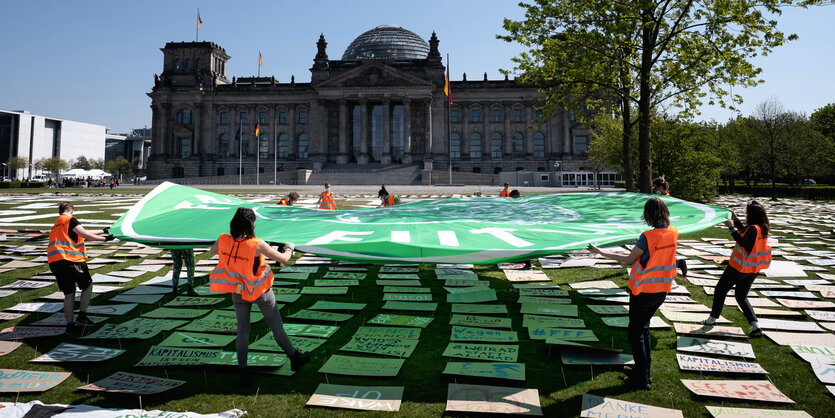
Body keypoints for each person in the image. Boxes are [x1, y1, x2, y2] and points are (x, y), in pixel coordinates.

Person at [209, 207, 309, 384]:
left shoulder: (223, 239)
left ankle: (243, 370)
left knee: (242, 330)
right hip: (259, 290)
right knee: (276, 326)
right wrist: (290, 248)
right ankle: (294, 357)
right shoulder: (256, 244)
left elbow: (212, 252)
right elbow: (283, 259)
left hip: (238, 291)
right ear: (251, 224)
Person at [588, 197, 678, 390]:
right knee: (643, 329)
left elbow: (629, 259)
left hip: (644, 290)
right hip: (662, 289)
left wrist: (600, 252)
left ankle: (642, 378)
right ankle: (642, 371)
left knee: (635, 333)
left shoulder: (648, 236)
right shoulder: (673, 232)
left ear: (648, 215)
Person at [702, 201, 772, 338]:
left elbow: (744, 242)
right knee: (741, 296)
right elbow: (747, 233)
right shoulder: (763, 227)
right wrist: (736, 220)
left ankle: (712, 319)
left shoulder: (753, 229)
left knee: (720, 289)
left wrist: (731, 228)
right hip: (753, 268)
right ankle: (755, 324)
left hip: (739, 267)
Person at [47, 202, 113, 336]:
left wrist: (102, 230)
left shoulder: (58, 223)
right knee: (87, 285)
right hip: (72, 260)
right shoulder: (71, 219)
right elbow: (86, 235)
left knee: (69, 293)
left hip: (56, 262)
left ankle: (69, 326)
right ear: (71, 211)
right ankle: (82, 315)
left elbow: (82, 233)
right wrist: (104, 239)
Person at [508, 190, 533, 269]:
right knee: (516, 244)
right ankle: (519, 259)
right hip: (517, 226)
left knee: (524, 245)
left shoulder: (523, 202)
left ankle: (528, 263)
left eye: (512, 197)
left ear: (516, 196)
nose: (511, 199)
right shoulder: (518, 202)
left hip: (523, 227)